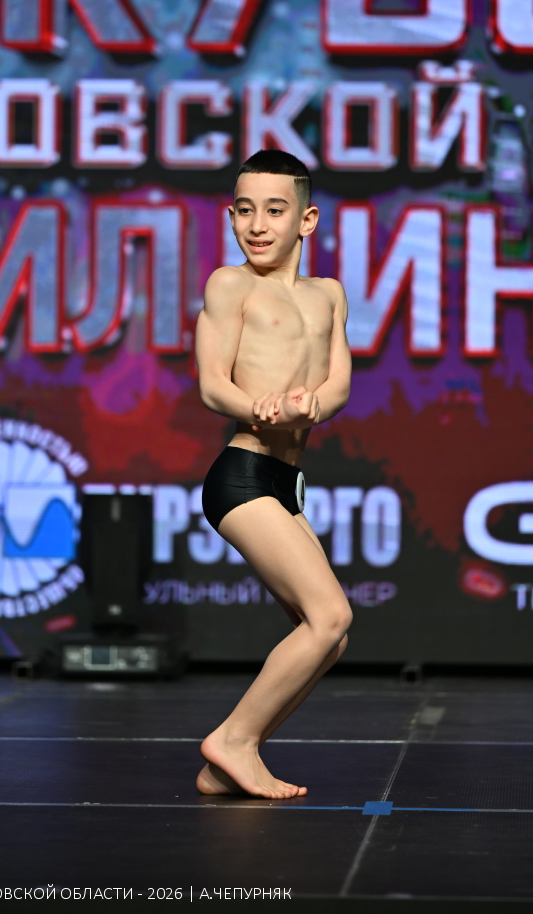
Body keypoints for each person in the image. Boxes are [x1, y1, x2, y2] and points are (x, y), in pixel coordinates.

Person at [194, 149, 353, 799]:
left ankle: (229, 762)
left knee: (328, 640)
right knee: (330, 615)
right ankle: (232, 741)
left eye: (275, 210)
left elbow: (338, 380)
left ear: (306, 220)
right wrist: (261, 407)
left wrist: (315, 403)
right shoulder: (230, 285)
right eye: (244, 210)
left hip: (286, 484)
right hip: (242, 474)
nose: (257, 225)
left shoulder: (329, 294)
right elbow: (212, 384)